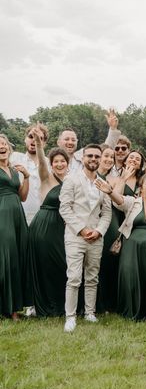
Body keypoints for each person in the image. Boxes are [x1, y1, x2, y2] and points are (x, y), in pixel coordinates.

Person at [96, 173, 146, 320]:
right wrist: (109, 191)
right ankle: (131, 309)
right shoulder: (133, 203)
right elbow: (119, 200)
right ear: (141, 189)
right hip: (131, 248)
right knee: (130, 276)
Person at [59, 144, 112, 332]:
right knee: (73, 277)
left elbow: (106, 213)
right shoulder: (71, 179)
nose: (94, 159)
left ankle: (90, 313)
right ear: (82, 157)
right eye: (90, 155)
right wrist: (81, 229)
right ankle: (70, 317)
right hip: (75, 235)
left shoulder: (103, 182)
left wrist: (99, 231)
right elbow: (64, 208)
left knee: (92, 276)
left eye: (97, 156)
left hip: (96, 237)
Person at [27, 130, 69, 317]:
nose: (59, 164)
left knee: (62, 264)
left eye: (63, 161)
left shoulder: (71, 181)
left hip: (63, 226)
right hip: (44, 225)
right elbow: (42, 161)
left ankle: (61, 306)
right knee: (45, 265)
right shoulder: (46, 177)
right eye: (56, 162)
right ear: (52, 165)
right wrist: (38, 143)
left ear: (67, 164)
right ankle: (43, 307)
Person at [0, 134, 30, 320]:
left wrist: (26, 176)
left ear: (9, 148)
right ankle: (6, 308)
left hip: (18, 215)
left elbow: (23, 197)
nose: (2, 146)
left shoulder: (14, 169)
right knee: (6, 259)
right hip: (2, 216)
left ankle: (13, 309)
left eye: (4, 144)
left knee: (18, 258)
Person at [96, 145, 120, 313]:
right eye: (106, 156)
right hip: (93, 221)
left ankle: (110, 302)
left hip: (111, 221)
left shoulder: (115, 178)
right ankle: (96, 302)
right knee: (95, 262)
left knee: (109, 261)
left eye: (112, 157)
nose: (109, 159)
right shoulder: (90, 175)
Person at [10, 123, 49, 225]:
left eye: (39, 138)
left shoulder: (50, 164)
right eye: (31, 136)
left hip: (44, 219)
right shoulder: (14, 158)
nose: (34, 140)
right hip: (18, 216)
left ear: (44, 143)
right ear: (25, 139)